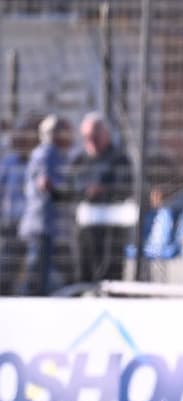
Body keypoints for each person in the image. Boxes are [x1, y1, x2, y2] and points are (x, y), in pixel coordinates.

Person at [69, 112, 134, 283]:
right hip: (86, 226)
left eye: (94, 136)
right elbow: (70, 186)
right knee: (84, 269)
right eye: (86, 137)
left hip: (110, 227)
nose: (90, 141)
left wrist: (103, 191)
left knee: (109, 271)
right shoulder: (80, 159)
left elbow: (126, 187)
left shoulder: (119, 159)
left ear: (104, 134)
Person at [17, 114, 75, 296]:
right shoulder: (49, 153)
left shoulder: (39, 152)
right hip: (42, 221)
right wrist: (67, 191)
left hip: (39, 220)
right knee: (37, 267)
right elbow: (45, 182)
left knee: (41, 266)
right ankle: (27, 297)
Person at [0, 114, 43, 295]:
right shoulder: (9, 162)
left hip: (32, 224)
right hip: (11, 222)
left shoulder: (39, 162)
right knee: (8, 266)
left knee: (34, 267)